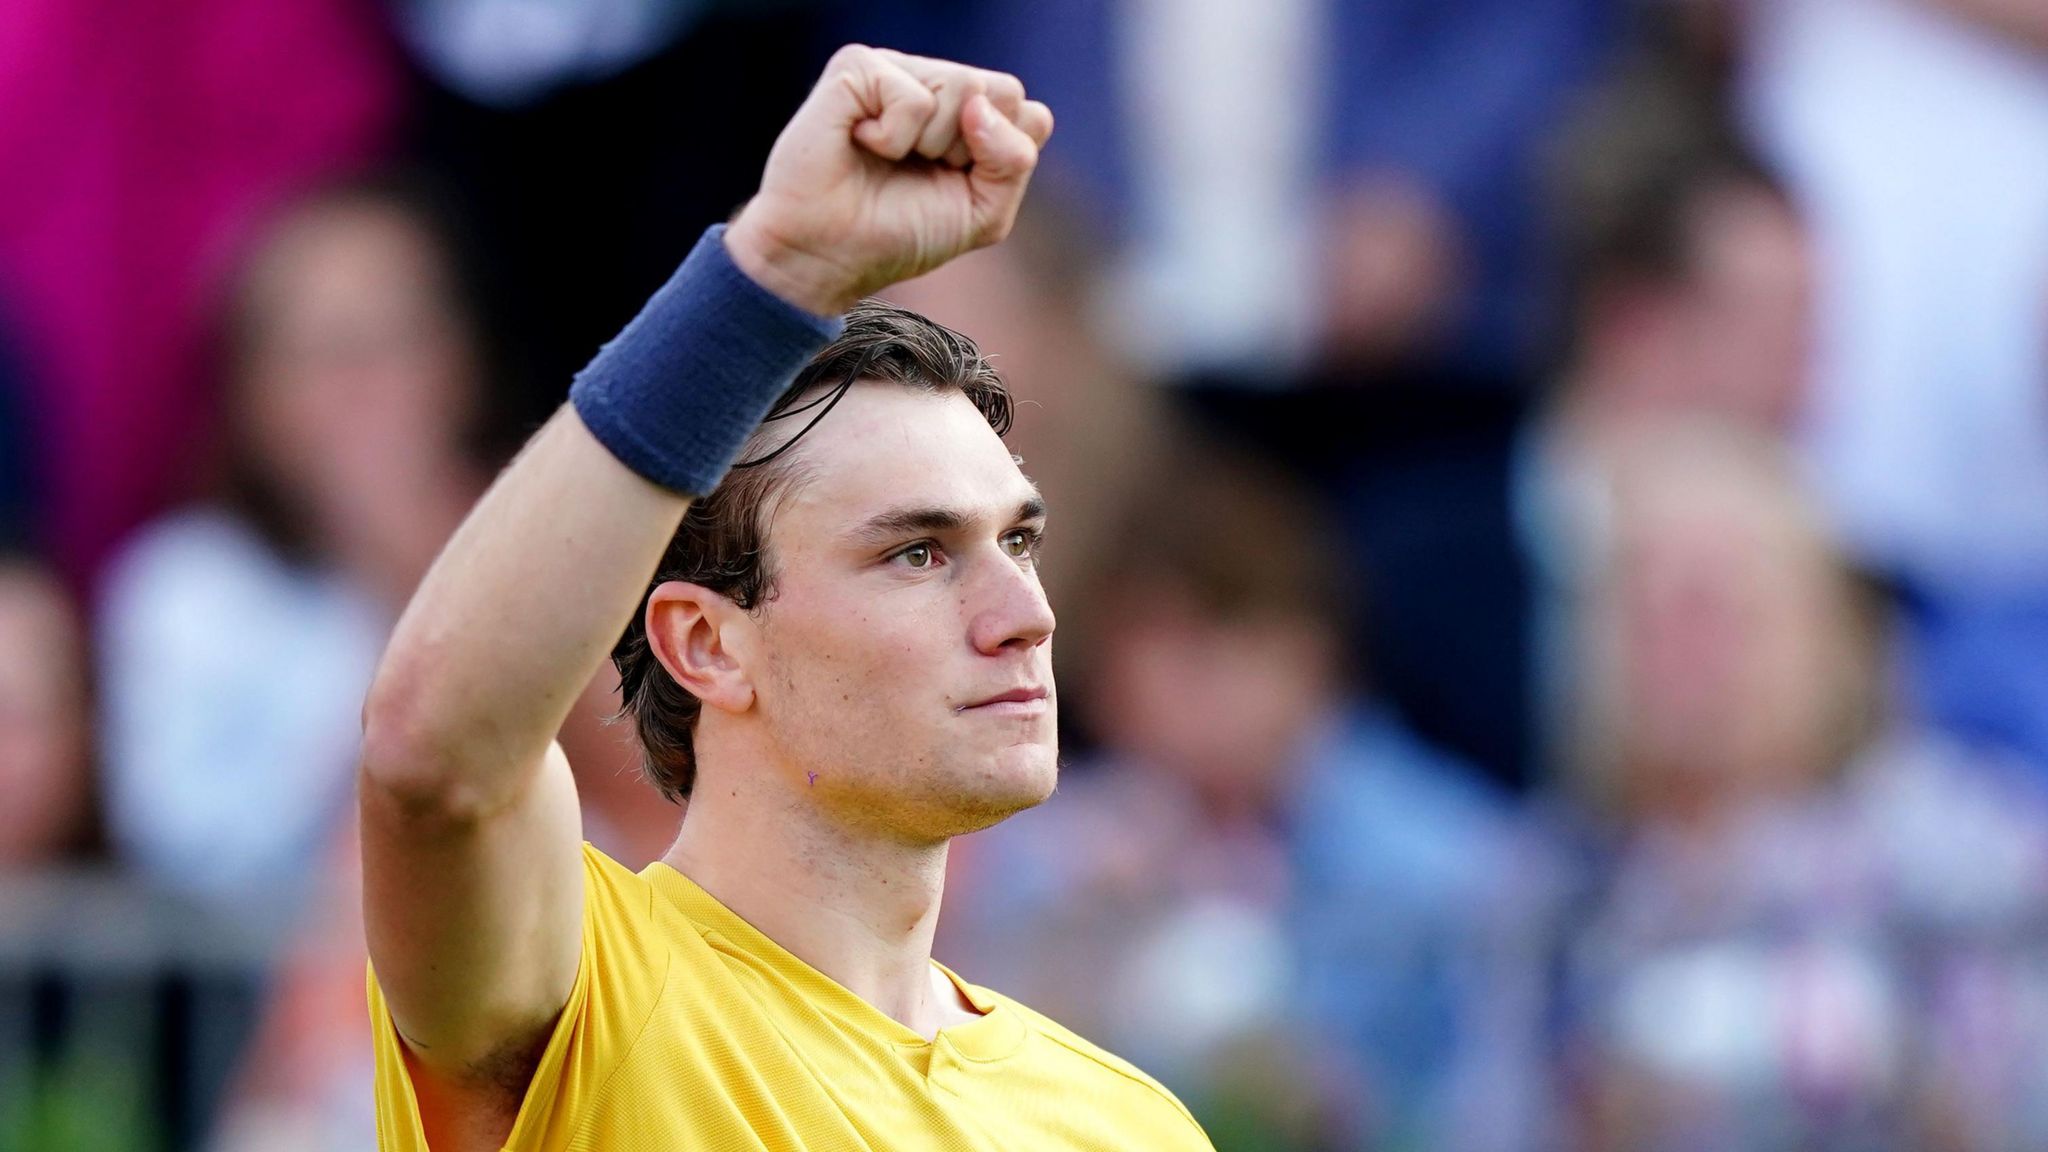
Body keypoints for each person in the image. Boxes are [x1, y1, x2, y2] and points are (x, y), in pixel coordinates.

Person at [359, 46, 1213, 1151]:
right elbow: (434, 759)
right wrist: (774, 272)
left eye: (1019, 539)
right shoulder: (585, 987)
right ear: (707, 644)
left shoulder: (1133, 1127)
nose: (1024, 612)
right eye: (916, 553)